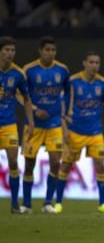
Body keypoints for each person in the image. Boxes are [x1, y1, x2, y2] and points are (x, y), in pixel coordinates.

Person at [55, 51, 104, 214]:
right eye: (91, 62)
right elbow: (61, 106)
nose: (94, 66)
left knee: (100, 166)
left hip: (95, 132)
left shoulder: (103, 84)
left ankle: (102, 204)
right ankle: (58, 203)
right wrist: (64, 129)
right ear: (84, 63)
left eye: (97, 63)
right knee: (66, 166)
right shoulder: (73, 82)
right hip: (74, 131)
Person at [20, 36, 70, 214]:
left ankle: (48, 203)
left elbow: (68, 91)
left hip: (54, 123)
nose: (50, 53)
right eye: (47, 50)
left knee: (56, 162)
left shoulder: (62, 70)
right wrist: (34, 109)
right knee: (29, 164)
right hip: (33, 125)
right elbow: (20, 95)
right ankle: (26, 204)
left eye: (53, 50)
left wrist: (66, 113)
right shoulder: (29, 70)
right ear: (40, 51)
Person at [0, 36, 34, 213]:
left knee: (13, 161)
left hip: (8, 125)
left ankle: (14, 204)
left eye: (12, 50)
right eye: (6, 50)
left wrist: (30, 121)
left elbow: (27, 100)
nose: (10, 54)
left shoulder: (18, 74)